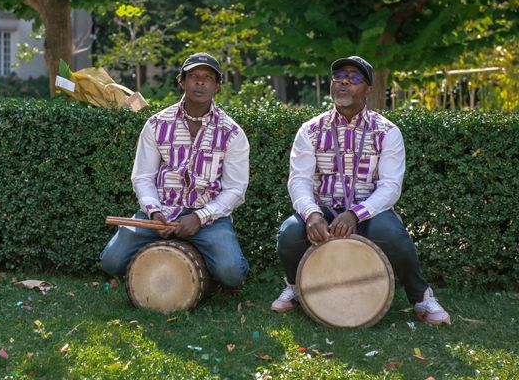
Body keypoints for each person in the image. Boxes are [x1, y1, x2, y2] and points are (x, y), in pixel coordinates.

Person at [271, 56, 450, 325]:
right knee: (289, 233)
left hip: (370, 214)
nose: (344, 81)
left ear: (368, 89)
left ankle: (421, 296)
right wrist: (311, 214)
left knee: (390, 232)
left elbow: (390, 187)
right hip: (325, 212)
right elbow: (299, 181)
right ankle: (296, 288)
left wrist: (356, 214)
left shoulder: (387, 131)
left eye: (354, 78)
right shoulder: (310, 130)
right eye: (338, 76)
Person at [100, 53, 250, 291]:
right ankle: (156, 261)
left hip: (208, 217)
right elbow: (143, 177)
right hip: (162, 213)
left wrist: (199, 217)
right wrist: (154, 212)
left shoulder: (232, 132)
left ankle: (202, 267)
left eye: (207, 78)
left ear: (217, 86)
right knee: (110, 261)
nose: (200, 82)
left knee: (232, 274)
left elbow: (235, 189)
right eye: (193, 76)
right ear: (182, 81)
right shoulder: (157, 124)